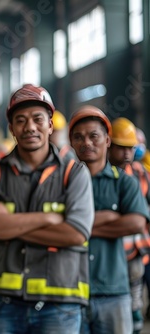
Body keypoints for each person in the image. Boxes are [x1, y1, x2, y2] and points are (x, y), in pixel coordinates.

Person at [0, 84, 95, 334]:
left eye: (37, 119)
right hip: (2, 303)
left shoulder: (74, 173)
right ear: (11, 129)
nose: (30, 127)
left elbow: (76, 233)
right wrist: (48, 217)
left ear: (50, 125)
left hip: (60, 306)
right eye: (20, 120)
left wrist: (10, 225)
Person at [68, 106, 149, 334]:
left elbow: (136, 223)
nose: (87, 142)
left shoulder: (125, 183)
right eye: (78, 137)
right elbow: (52, 221)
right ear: (71, 143)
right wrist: (111, 218)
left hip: (114, 292)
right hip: (70, 292)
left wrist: (77, 229)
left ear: (107, 139)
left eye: (94, 136)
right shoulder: (62, 183)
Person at [108, 117, 150, 333]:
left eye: (130, 148)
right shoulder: (102, 174)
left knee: (135, 298)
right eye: (121, 148)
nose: (126, 153)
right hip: (109, 250)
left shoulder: (142, 174)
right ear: (109, 145)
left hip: (136, 250)